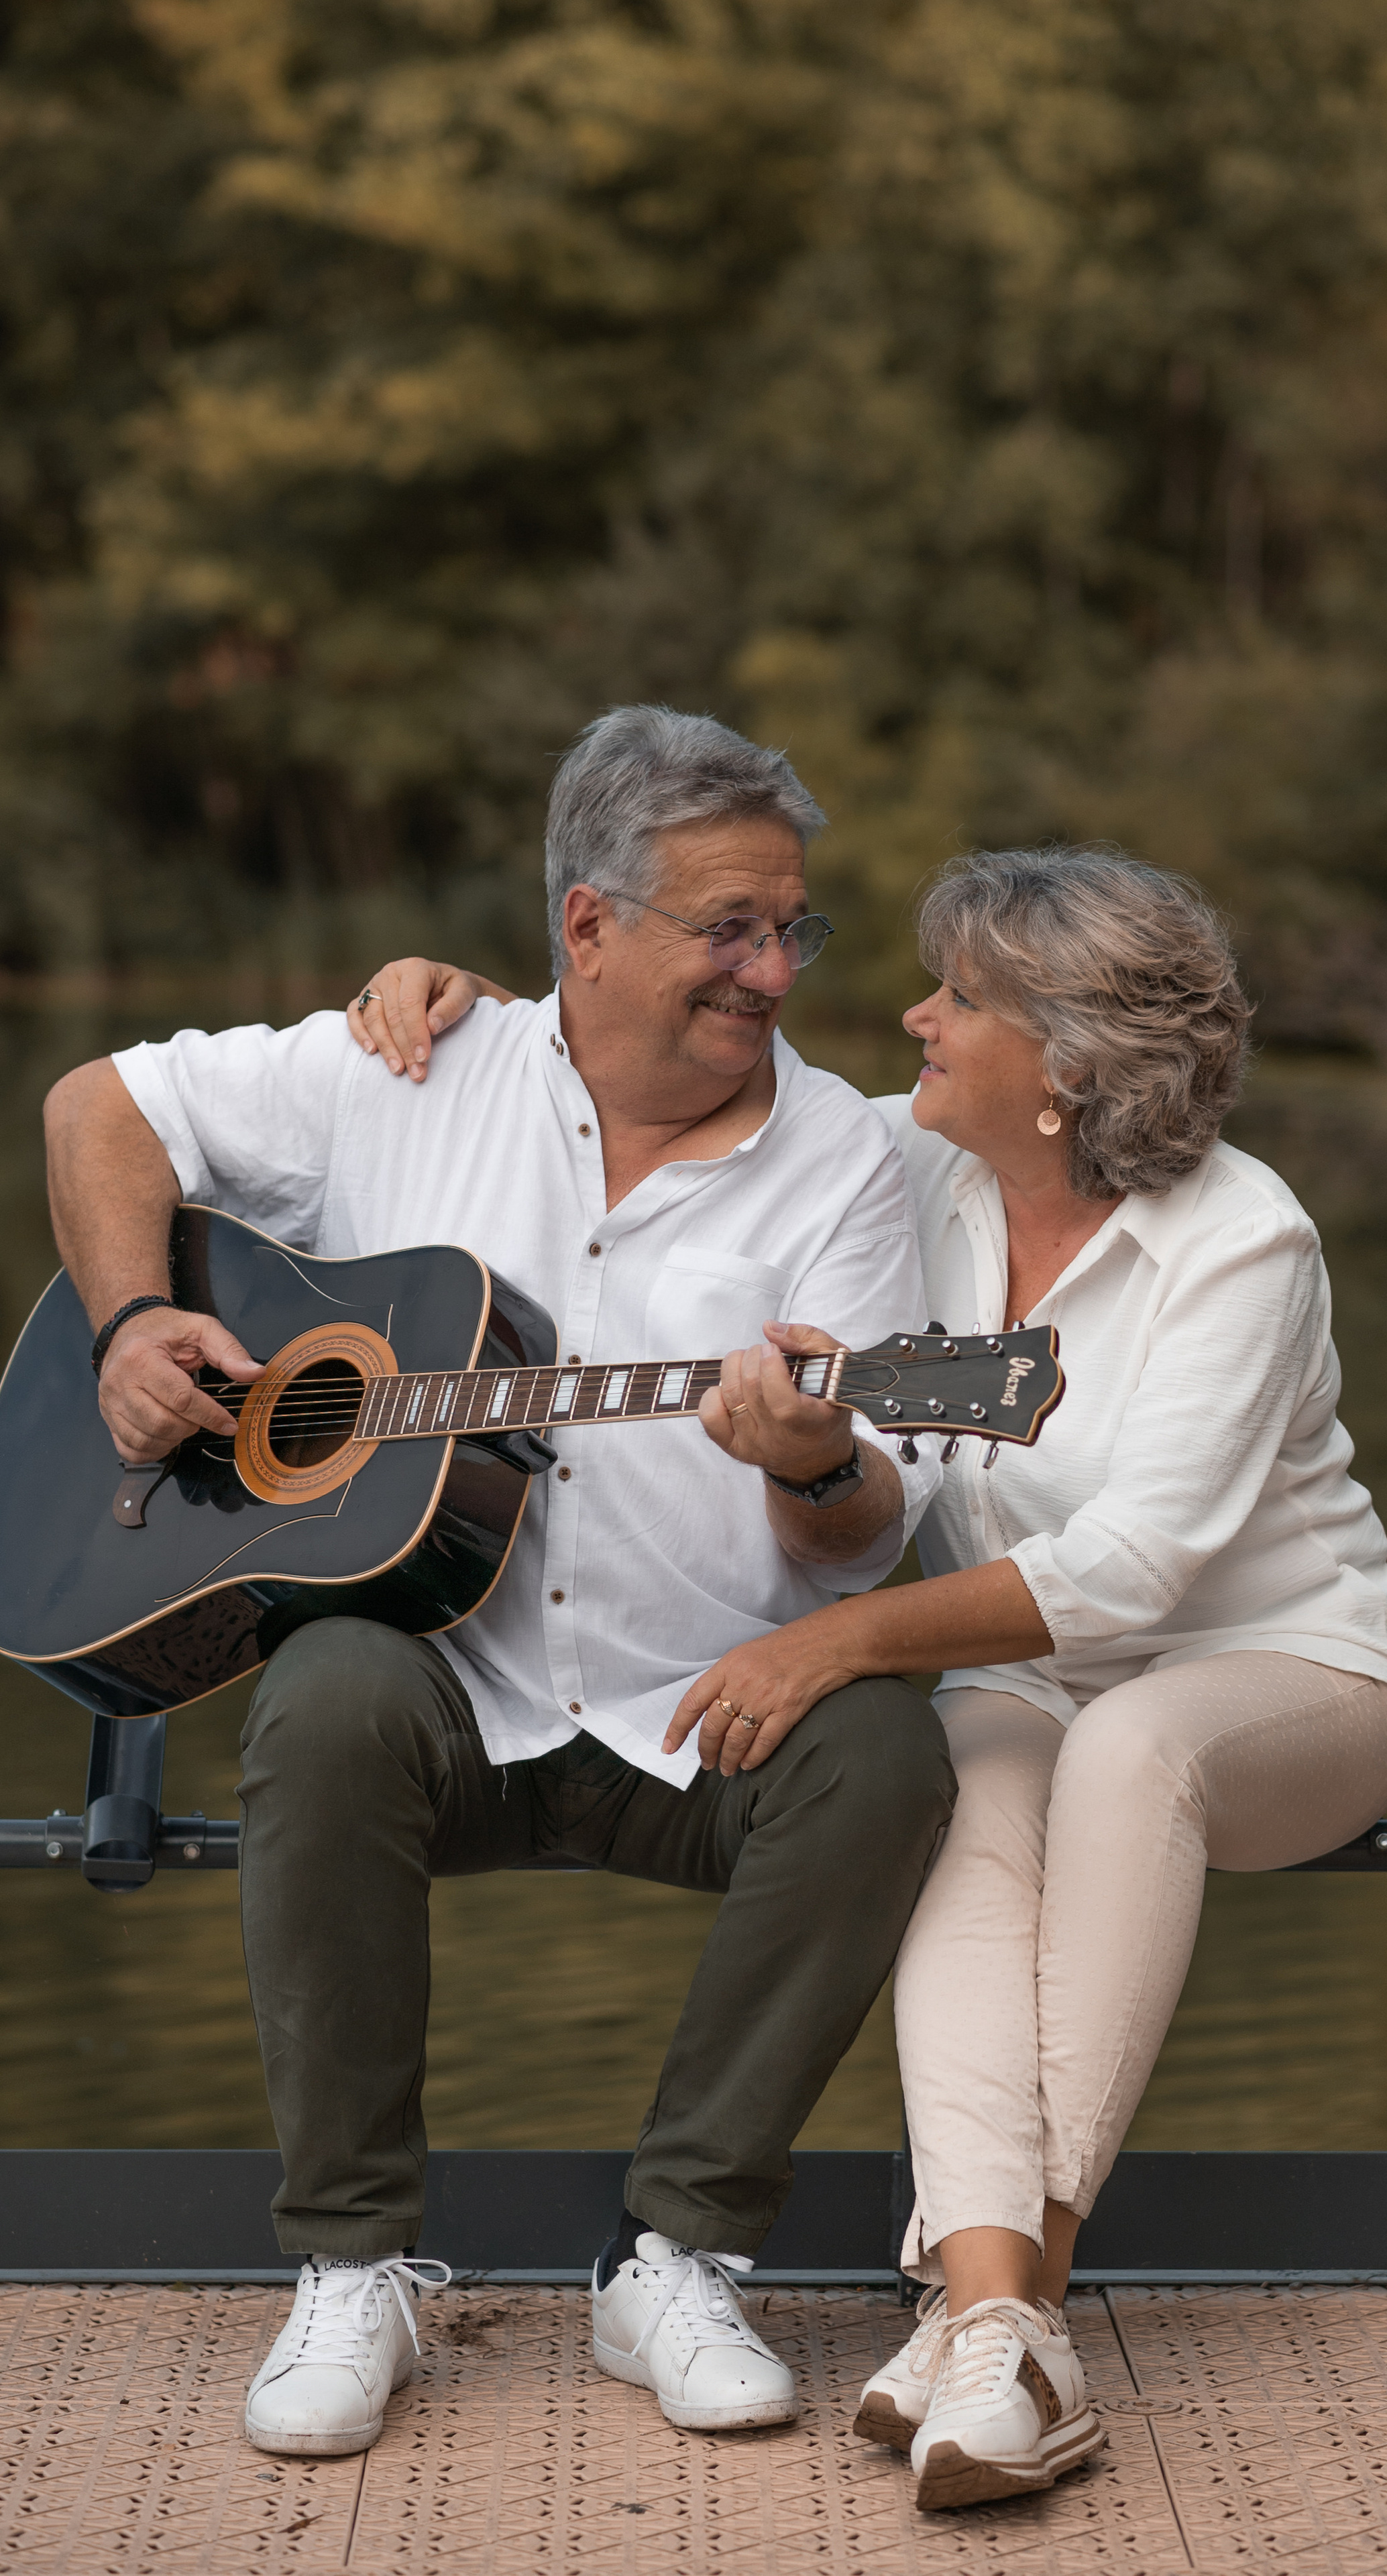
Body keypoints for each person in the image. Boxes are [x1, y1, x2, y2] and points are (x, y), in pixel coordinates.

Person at [357, 841, 1387, 2514]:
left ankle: (1012, 2318)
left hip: (1286, 1675)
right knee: (961, 1778)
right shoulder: (902, 1164)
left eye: (961, 998)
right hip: (1024, 1668)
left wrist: (839, 1632)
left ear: (1065, 1063)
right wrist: (504, 1007)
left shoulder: (1245, 1241)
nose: (913, 1015)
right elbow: (661, 1063)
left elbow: (1135, 1577)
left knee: (1128, 1741)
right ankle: (988, 2316)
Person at [41, 705, 956, 2462]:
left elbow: (865, 1532)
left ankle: (677, 2254)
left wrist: (821, 1459)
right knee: (322, 1691)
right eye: (729, 928)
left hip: (709, 1711)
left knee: (894, 1756)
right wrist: (133, 1318)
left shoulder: (844, 1154)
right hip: (452, 1703)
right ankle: (355, 2266)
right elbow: (101, 1105)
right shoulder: (406, 1071)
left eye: (795, 927)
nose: (773, 969)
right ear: (590, 925)